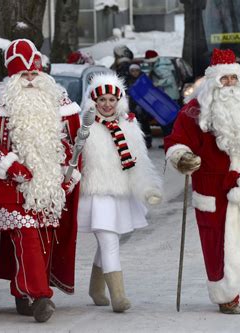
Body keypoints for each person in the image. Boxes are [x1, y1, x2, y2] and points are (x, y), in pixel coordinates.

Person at [0, 38, 81, 323]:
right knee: (27, 238)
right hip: (9, 186)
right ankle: (41, 296)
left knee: (43, 241)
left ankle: (22, 291)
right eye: (24, 75)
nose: (30, 80)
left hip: (47, 187)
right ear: (11, 75)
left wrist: (68, 175)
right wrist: (10, 165)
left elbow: (71, 144)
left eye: (34, 74)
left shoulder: (59, 103)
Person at [164, 49, 240, 314]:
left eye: (233, 78)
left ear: (239, 80)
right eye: (224, 79)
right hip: (212, 190)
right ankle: (225, 294)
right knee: (216, 243)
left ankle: (234, 289)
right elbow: (176, 142)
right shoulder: (195, 111)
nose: (229, 83)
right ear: (213, 81)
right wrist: (182, 157)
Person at [78, 72, 162, 313]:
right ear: (93, 100)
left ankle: (96, 288)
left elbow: (138, 161)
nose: (106, 104)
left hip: (120, 193)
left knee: (108, 239)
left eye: (111, 100)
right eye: (101, 99)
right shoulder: (84, 125)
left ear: (119, 101)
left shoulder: (129, 125)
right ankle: (118, 295)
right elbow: (71, 158)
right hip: (95, 193)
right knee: (109, 240)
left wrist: (148, 188)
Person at [127, 63, 153, 148]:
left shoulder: (143, 79)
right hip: (133, 104)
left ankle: (147, 141)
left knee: (144, 123)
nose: (134, 73)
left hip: (143, 104)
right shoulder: (128, 80)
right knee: (134, 123)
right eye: (132, 71)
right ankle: (136, 142)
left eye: (136, 70)